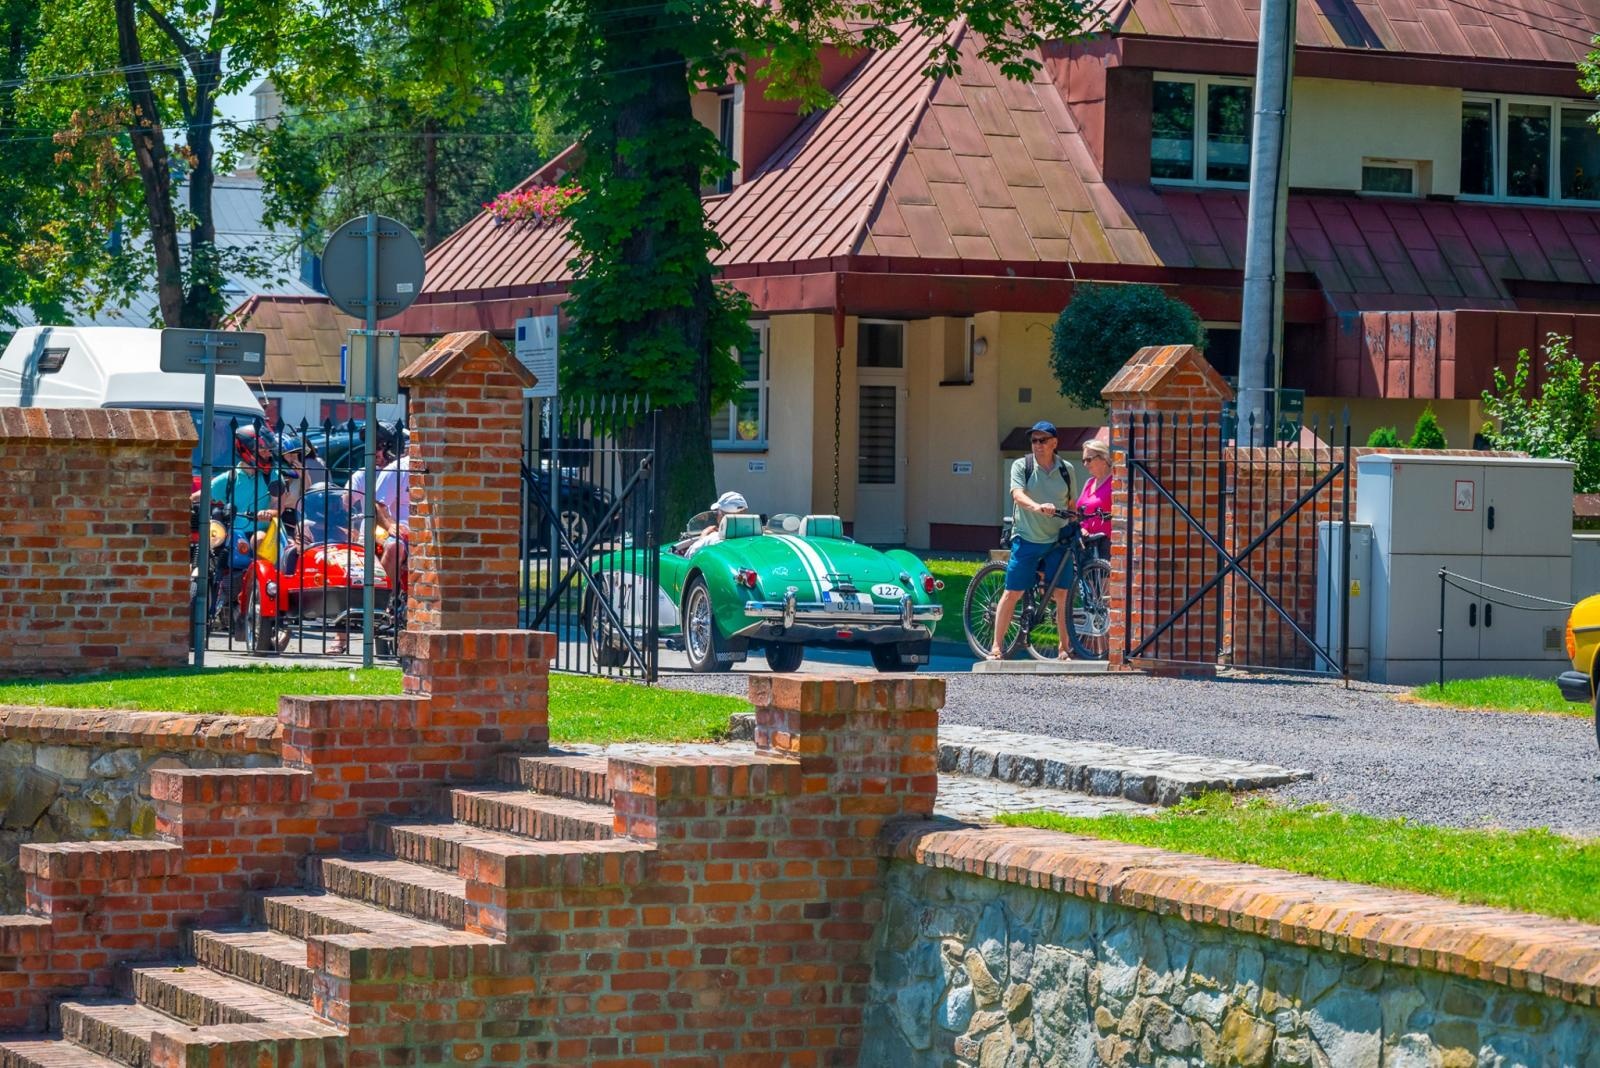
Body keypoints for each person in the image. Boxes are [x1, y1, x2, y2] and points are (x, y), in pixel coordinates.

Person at [989, 421, 1075, 660]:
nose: (1037, 445)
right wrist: (1038, 507)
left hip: (1057, 539)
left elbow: (1071, 504)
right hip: (1027, 538)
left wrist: (1077, 522)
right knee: (1013, 592)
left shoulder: (1066, 469)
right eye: (1034, 440)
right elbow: (1017, 495)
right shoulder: (1022, 465)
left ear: (1054, 443)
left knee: (1062, 594)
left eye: (1043, 440)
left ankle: (1064, 648)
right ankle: (996, 646)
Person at [191, 424, 283, 570]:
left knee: (258, 538)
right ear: (247, 450)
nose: (269, 454)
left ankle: (257, 579)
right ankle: (214, 582)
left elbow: (279, 506)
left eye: (269, 451)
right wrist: (186, 502)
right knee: (213, 546)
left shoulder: (273, 475)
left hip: (260, 531)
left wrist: (268, 513)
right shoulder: (230, 478)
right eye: (263, 450)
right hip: (232, 534)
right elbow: (201, 495)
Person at [1077, 437, 1113, 561]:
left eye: (1089, 459)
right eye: (1084, 461)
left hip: (1106, 543)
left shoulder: (1116, 482)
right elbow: (1080, 512)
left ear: (1103, 458)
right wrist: (1082, 528)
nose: (1085, 464)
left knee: (1105, 580)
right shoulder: (1089, 482)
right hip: (1088, 543)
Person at [686, 491, 748, 555]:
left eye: (717, 512)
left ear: (722, 516)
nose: (717, 517)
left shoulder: (714, 538)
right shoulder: (756, 536)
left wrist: (702, 538)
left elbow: (689, 556)